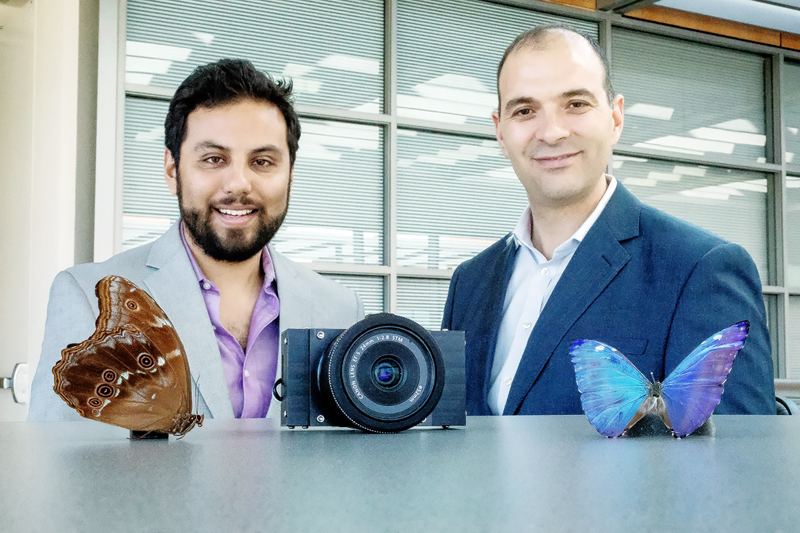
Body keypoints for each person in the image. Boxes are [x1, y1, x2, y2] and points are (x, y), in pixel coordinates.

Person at [441, 25, 775, 416]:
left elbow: (739, 458)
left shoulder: (700, 269)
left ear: (615, 118)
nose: (551, 132)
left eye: (576, 104)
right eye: (525, 110)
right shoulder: (471, 281)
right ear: (500, 131)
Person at [29, 59, 364, 421]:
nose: (238, 184)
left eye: (263, 161)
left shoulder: (341, 310)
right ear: (173, 171)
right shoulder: (87, 296)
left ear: (290, 176)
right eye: (214, 159)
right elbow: (56, 466)